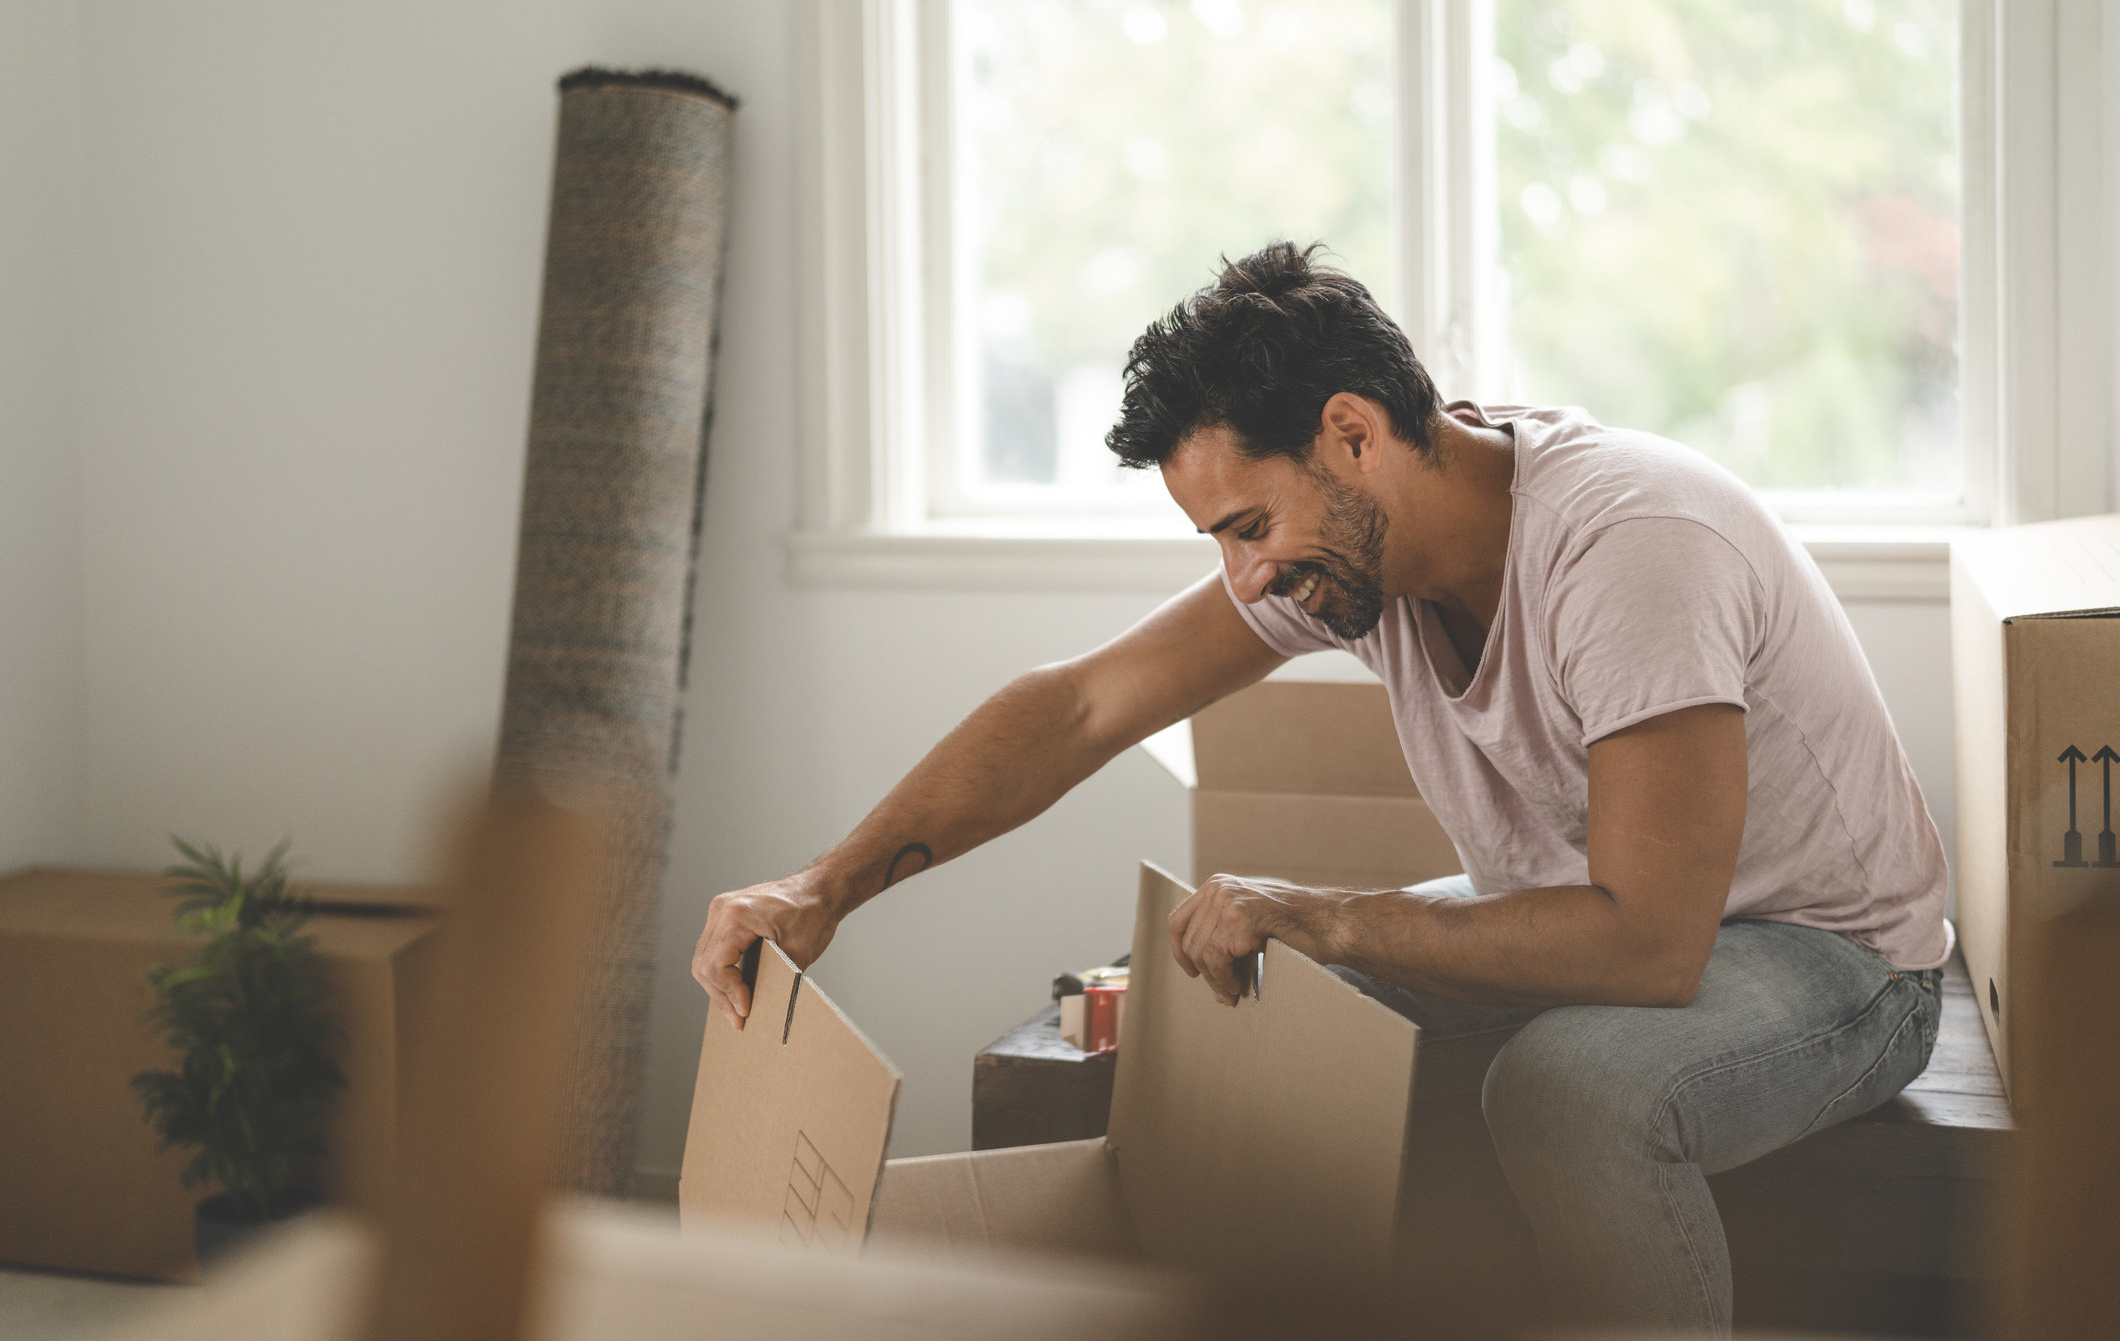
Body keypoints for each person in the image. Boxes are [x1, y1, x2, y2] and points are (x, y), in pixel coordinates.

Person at [692, 241, 1949, 1335]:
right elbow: (1080, 705)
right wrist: (827, 884)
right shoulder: (1359, 548)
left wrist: (1323, 907)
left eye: (1248, 527)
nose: (1243, 580)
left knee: (1565, 1088)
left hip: (1830, 960)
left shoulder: (1629, 549)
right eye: (1219, 543)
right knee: (1258, 1002)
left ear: (1353, 433)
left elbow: (1647, 945)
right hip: (1596, 908)